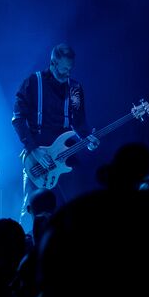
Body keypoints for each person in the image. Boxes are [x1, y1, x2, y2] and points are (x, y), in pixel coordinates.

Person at [12, 43, 98, 229]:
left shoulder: (74, 88)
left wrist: (87, 138)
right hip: (38, 156)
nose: (68, 73)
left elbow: (79, 122)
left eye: (70, 69)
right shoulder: (33, 82)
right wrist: (34, 150)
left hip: (66, 155)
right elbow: (18, 119)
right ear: (53, 63)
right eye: (64, 68)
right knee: (31, 210)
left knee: (76, 206)